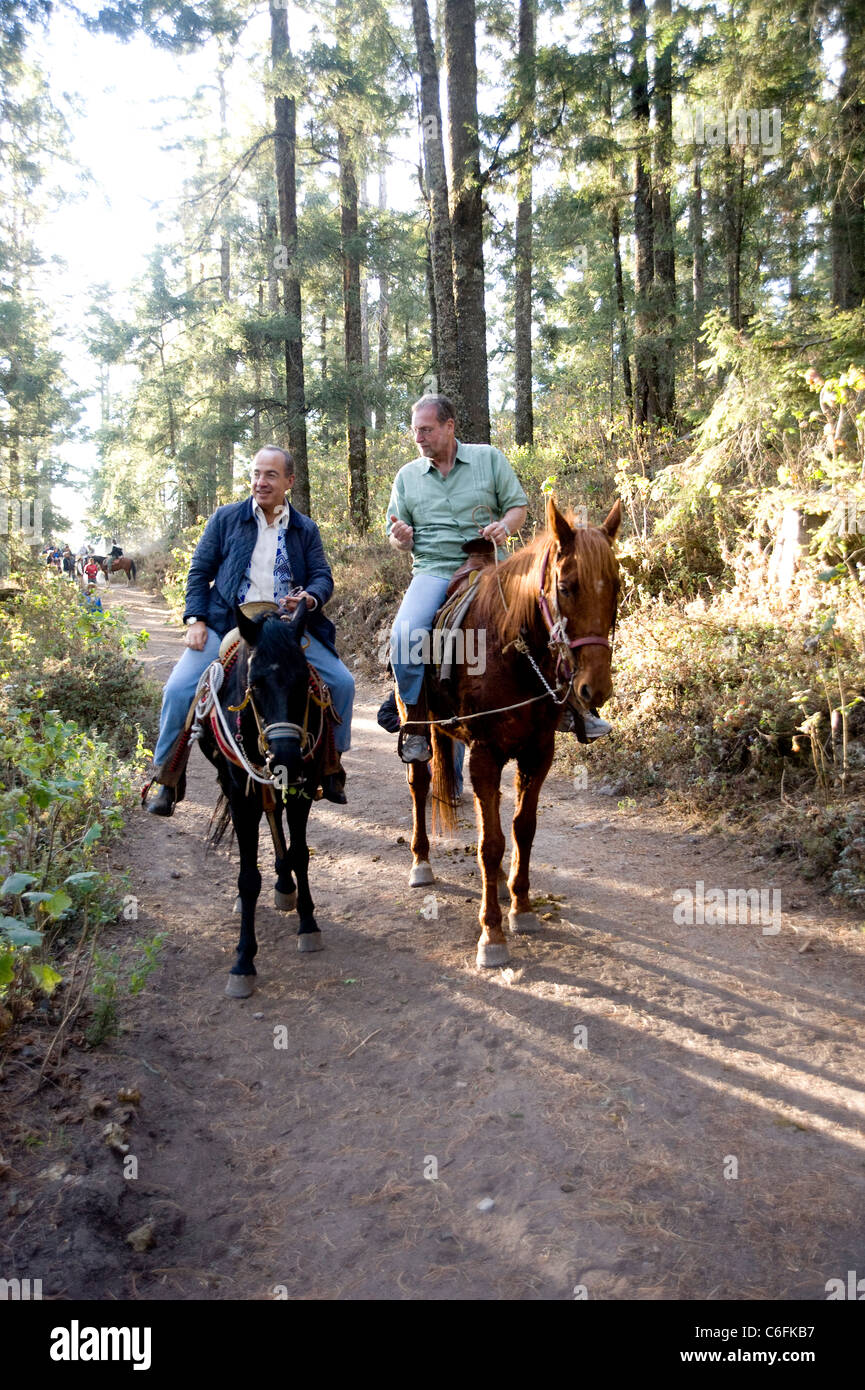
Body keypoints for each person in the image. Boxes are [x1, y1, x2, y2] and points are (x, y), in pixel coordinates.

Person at [385, 394, 611, 762]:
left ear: (449, 426)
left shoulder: (488, 459)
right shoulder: (407, 477)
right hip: (434, 568)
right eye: (415, 432)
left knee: (548, 618)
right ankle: (414, 724)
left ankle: (573, 707)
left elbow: (517, 507)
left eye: (426, 430)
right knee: (404, 635)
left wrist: (505, 526)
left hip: (493, 566)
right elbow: (394, 532)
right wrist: (400, 538)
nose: (419, 438)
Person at [146, 446, 354, 816]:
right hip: (230, 622)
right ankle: (167, 778)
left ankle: (330, 767)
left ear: (289, 481)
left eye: (271, 475)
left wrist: (310, 598)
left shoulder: (305, 528)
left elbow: (323, 576)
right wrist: (196, 620)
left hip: (286, 628)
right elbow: (199, 572)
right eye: (257, 474)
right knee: (179, 689)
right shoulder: (226, 519)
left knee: (341, 683)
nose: (261, 482)